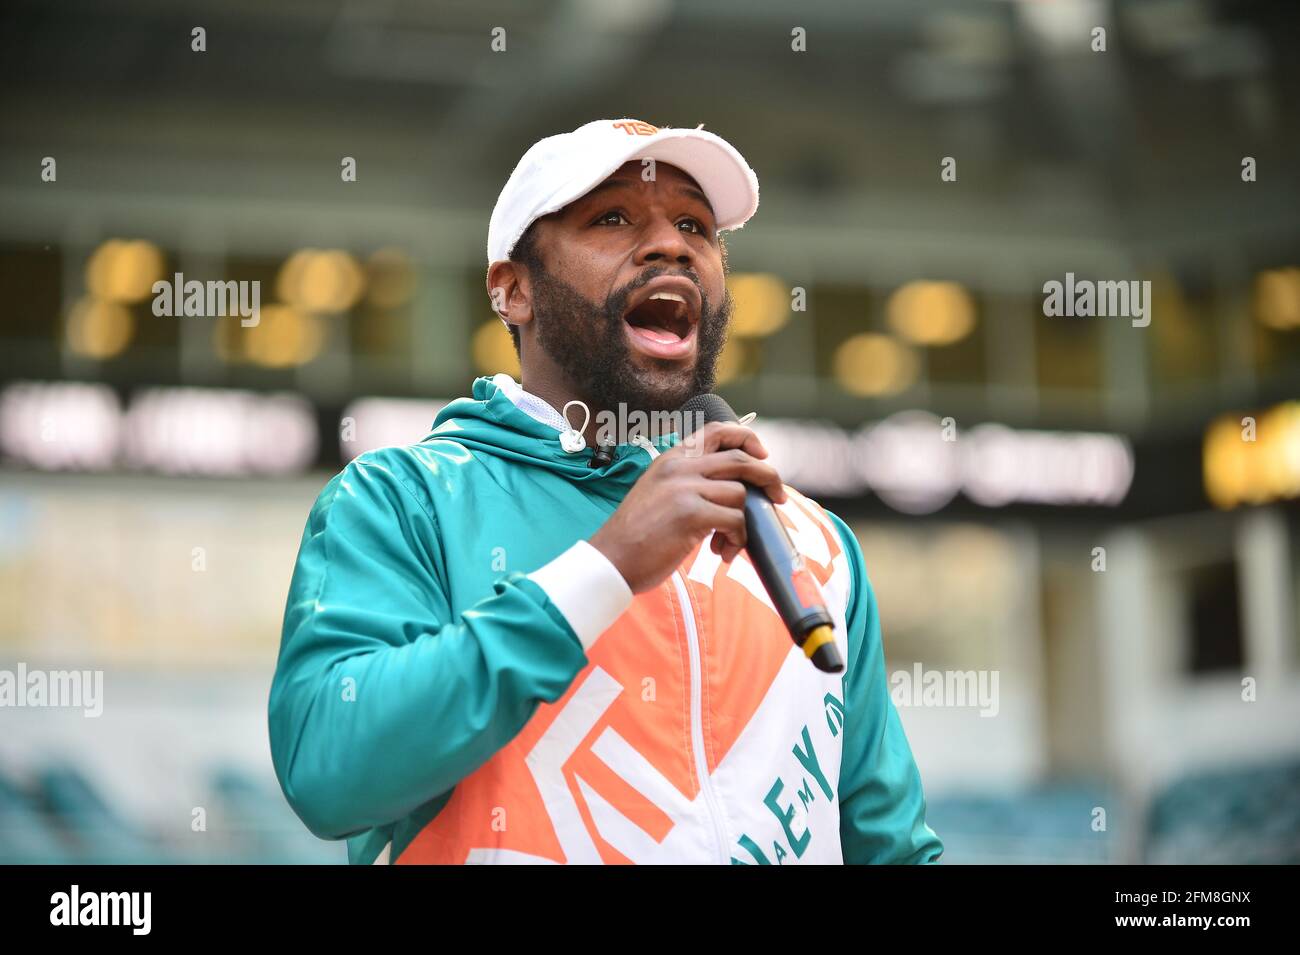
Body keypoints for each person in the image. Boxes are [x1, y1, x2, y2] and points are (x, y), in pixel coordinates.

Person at [268, 118, 943, 865]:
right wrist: (608, 565)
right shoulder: (403, 500)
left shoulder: (813, 547)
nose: (672, 245)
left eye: (695, 225)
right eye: (613, 218)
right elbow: (327, 770)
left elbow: (896, 850)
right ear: (513, 290)